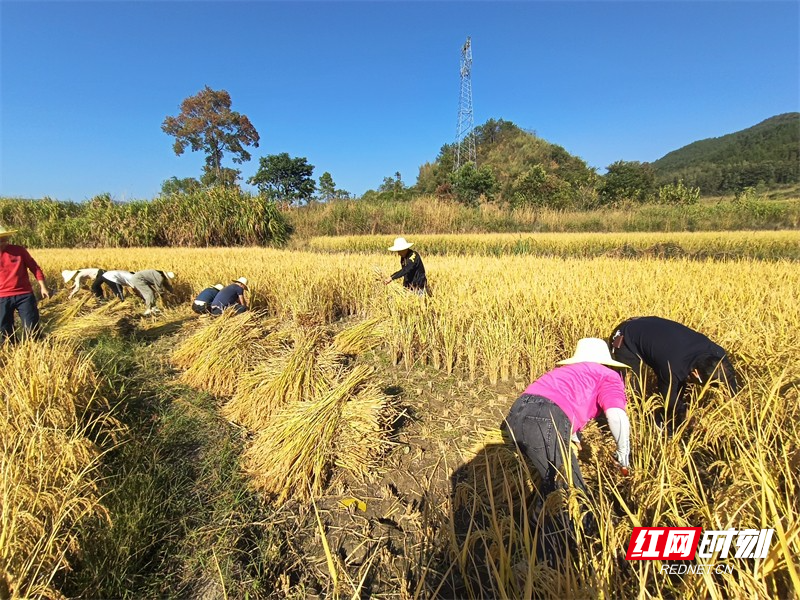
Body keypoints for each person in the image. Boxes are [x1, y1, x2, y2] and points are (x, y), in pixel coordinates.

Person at [503, 338, 631, 567]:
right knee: (571, 493)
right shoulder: (608, 376)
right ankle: (544, 566)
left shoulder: (565, 373)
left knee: (552, 481)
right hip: (545, 418)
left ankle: (529, 532)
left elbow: (558, 402)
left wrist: (572, 435)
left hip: (516, 416)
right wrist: (624, 453)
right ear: (606, 362)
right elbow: (616, 415)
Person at [609, 316, 738, 432]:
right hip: (626, 335)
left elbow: (730, 380)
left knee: (681, 382)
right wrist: (686, 417)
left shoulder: (719, 355)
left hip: (655, 330)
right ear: (696, 373)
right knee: (633, 389)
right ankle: (644, 423)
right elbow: (669, 398)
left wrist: (732, 404)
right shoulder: (672, 366)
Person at [0, 225, 50, 339]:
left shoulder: (19, 251)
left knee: (31, 326)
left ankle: (35, 347)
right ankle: (12, 349)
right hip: (2, 297)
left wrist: (43, 286)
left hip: (24, 295)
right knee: (4, 328)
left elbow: (35, 268)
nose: (2, 242)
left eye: (4, 239)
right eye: (0, 240)